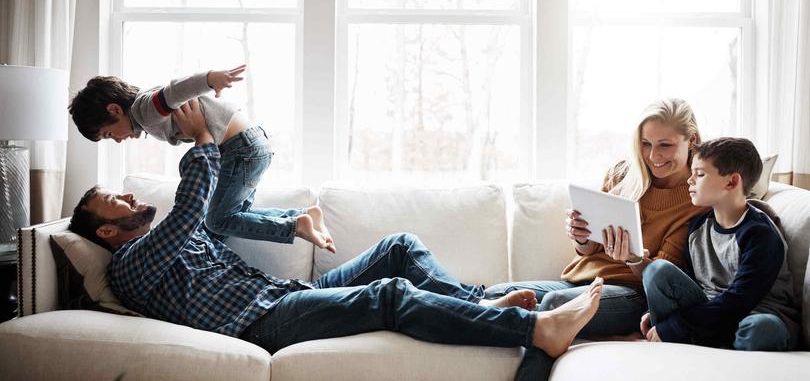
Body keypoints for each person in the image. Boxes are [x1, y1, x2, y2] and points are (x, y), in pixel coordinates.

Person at [67, 99, 605, 373]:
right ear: (108, 230)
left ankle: (475, 304)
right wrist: (204, 140)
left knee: (398, 248)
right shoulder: (130, 264)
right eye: (119, 201)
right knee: (389, 295)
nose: (135, 198)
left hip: (286, 299)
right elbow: (190, 212)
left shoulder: (168, 239)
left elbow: (208, 216)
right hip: (260, 325)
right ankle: (533, 329)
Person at [486, 98, 709, 379]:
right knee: (496, 295)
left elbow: (661, 283)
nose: (653, 156)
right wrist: (580, 236)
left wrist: (632, 258)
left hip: (631, 294)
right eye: (645, 143)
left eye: (665, 145)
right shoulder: (623, 173)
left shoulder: (698, 198)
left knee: (555, 305)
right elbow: (590, 248)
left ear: (692, 140)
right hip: (581, 280)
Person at [68, 66, 334, 252]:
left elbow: (174, 91)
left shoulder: (146, 110)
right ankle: (303, 215)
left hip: (239, 149)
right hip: (248, 145)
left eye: (109, 133)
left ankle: (295, 225)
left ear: (115, 109)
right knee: (231, 217)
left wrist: (210, 79)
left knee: (217, 221)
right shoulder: (144, 112)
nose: (116, 139)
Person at [640, 137, 800, 350]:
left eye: (700, 174)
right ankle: (700, 342)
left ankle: (711, 346)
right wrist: (656, 311)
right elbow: (690, 282)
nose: (690, 180)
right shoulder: (697, 227)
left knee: (761, 328)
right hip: (710, 314)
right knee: (656, 270)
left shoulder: (760, 233)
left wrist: (675, 325)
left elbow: (740, 299)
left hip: (754, 313)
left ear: (732, 182)